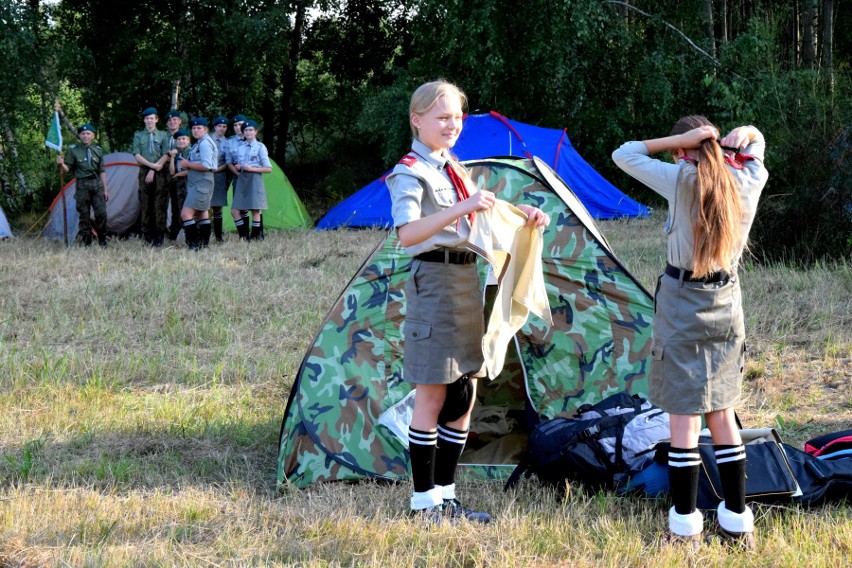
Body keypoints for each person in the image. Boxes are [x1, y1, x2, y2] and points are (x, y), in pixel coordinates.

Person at [385, 79, 549, 523]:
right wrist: (463, 207)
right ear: (417, 120)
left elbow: (484, 215)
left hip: (463, 280)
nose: (451, 125)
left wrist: (524, 218)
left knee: (463, 396)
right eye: (442, 117)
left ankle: (446, 496)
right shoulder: (410, 172)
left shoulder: (450, 166)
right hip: (433, 282)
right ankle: (423, 505)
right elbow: (408, 235)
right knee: (433, 396)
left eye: (457, 117)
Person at [612, 117, 768, 550]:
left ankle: (685, 529)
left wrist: (677, 142)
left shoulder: (680, 178)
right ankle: (738, 524)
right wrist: (749, 130)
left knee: (684, 417)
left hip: (683, 301)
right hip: (726, 302)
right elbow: (757, 146)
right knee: (721, 412)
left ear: (684, 149)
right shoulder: (749, 177)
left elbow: (623, 153)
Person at [56, 123, 110, 247]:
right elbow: (66, 170)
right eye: (83, 134)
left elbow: (102, 171)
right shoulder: (73, 150)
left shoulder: (98, 150)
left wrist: (105, 190)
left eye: (88, 134)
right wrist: (61, 164)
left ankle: (102, 241)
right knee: (84, 215)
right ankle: (87, 243)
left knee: (101, 213)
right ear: (79, 136)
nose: (85, 136)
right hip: (82, 185)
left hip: (96, 184)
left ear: (93, 136)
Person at [132, 107, 169, 246]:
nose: (149, 121)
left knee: (159, 204)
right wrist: (152, 167)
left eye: (152, 118)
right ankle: (147, 236)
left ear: (157, 119)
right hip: (144, 171)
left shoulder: (163, 135)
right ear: (144, 120)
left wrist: (155, 169)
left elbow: (166, 154)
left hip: (160, 172)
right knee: (145, 203)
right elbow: (136, 154)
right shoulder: (138, 135)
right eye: (147, 118)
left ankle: (159, 236)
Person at [179, 117, 217, 250]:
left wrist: (187, 164)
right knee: (202, 213)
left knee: (186, 214)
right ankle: (204, 245)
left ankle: (193, 245)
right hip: (198, 181)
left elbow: (206, 166)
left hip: (202, 181)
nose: (196, 130)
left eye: (199, 128)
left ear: (205, 129)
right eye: (194, 128)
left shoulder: (205, 144)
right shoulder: (199, 143)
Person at [230, 120, 271, 240]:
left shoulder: (260, 147)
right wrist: (239, 166)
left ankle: (255, 237)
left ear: (256, 132)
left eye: (251, 130)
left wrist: (252, 168)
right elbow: (239, 163)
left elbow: (268, 169)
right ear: (243, 132)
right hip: (242, 178)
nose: (248, 132)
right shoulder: (240, 147)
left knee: (255, 209)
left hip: (254, 178)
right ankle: (244, 235)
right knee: (235, 210)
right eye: (246, 130)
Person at [161, 109, 185, 240]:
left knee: (178, 203)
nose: (172, 122)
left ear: (179, 121)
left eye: (175, 119)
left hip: (179, 173)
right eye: (169, 120)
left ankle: (178, 229)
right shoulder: (163, 137)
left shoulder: (184, 136)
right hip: (164, 172)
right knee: (163, 200)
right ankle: (164, 229)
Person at [226, 114, 250, 235]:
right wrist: (238, 175)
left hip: (251, 177)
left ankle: (256, 235)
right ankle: (244, 235)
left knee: (251, 207)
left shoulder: (253, 140)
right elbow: (229, 162)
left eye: (240, 124)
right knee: (237, 208)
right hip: (238, 176)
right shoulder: (230, 142)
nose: (237, 127)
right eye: (235, 125)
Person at [167, 128, 191, 236]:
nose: (181, 141)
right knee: (179, 208)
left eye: (183, 139)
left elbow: (191, 170)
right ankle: (182, 231)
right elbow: (172, 171)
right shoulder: (176, 153)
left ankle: (192, 232)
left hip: (189, 183)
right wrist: (172, 157)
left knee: (189, 208)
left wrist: (178, 175)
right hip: (179, 185)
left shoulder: (191, 152)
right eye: (179, 139)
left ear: (188, 140)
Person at [210, 116, 230, 242]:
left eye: (224, 126)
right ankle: (202, 235)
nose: (221, 129)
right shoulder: (207, 139)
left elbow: (228, 162)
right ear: (214, 127)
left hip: (219, 175)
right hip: (204, 174)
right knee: (202, 205)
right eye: (219, 126)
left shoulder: (228, 142)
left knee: (217, 206)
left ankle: (218, 237)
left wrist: (217, 170)